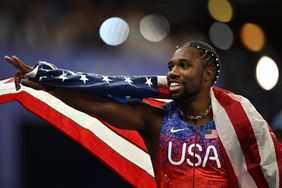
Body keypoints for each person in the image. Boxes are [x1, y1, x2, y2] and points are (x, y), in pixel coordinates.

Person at [4, 41, 282, 188]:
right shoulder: (156, 120)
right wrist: (49, 85)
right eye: (171, 65)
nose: (173, 71)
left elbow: (270, 169)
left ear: (208, 74)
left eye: (184, 65)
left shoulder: (238, 124)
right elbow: (98, 105)